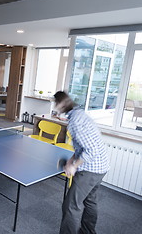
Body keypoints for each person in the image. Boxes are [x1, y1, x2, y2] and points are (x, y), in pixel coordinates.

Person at [53, 91, 109, 234]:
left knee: (71, 205)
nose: (55, 106)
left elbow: (91, 150)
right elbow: (81, 147)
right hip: (101, 166)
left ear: (63, 104)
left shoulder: (75, 122)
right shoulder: (78, 114)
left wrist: (74, 166)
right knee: (90, 201)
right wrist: (71, 160)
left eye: (56, 103)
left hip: (91, 169)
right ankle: (88, 231)